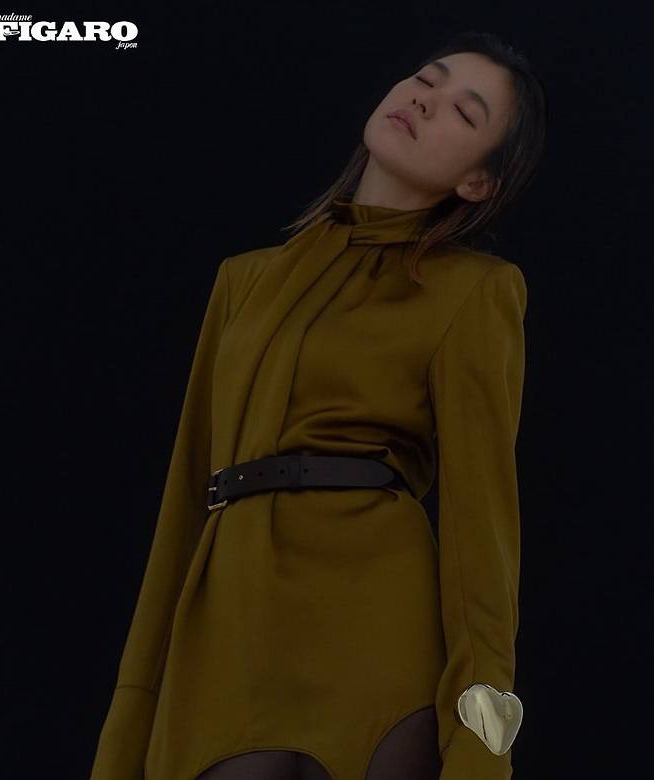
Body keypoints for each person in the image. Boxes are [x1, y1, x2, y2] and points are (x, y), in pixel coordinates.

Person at [89, 30, 547, 780]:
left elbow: (482, 530)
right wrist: (125, 731)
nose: (425, 100)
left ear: (478, 183)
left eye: (464, 113)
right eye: (424, 79)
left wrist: (482, 747)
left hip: (379, 630)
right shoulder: (242, 281)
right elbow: (180, 509)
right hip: (227, 632)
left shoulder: (476, 292)